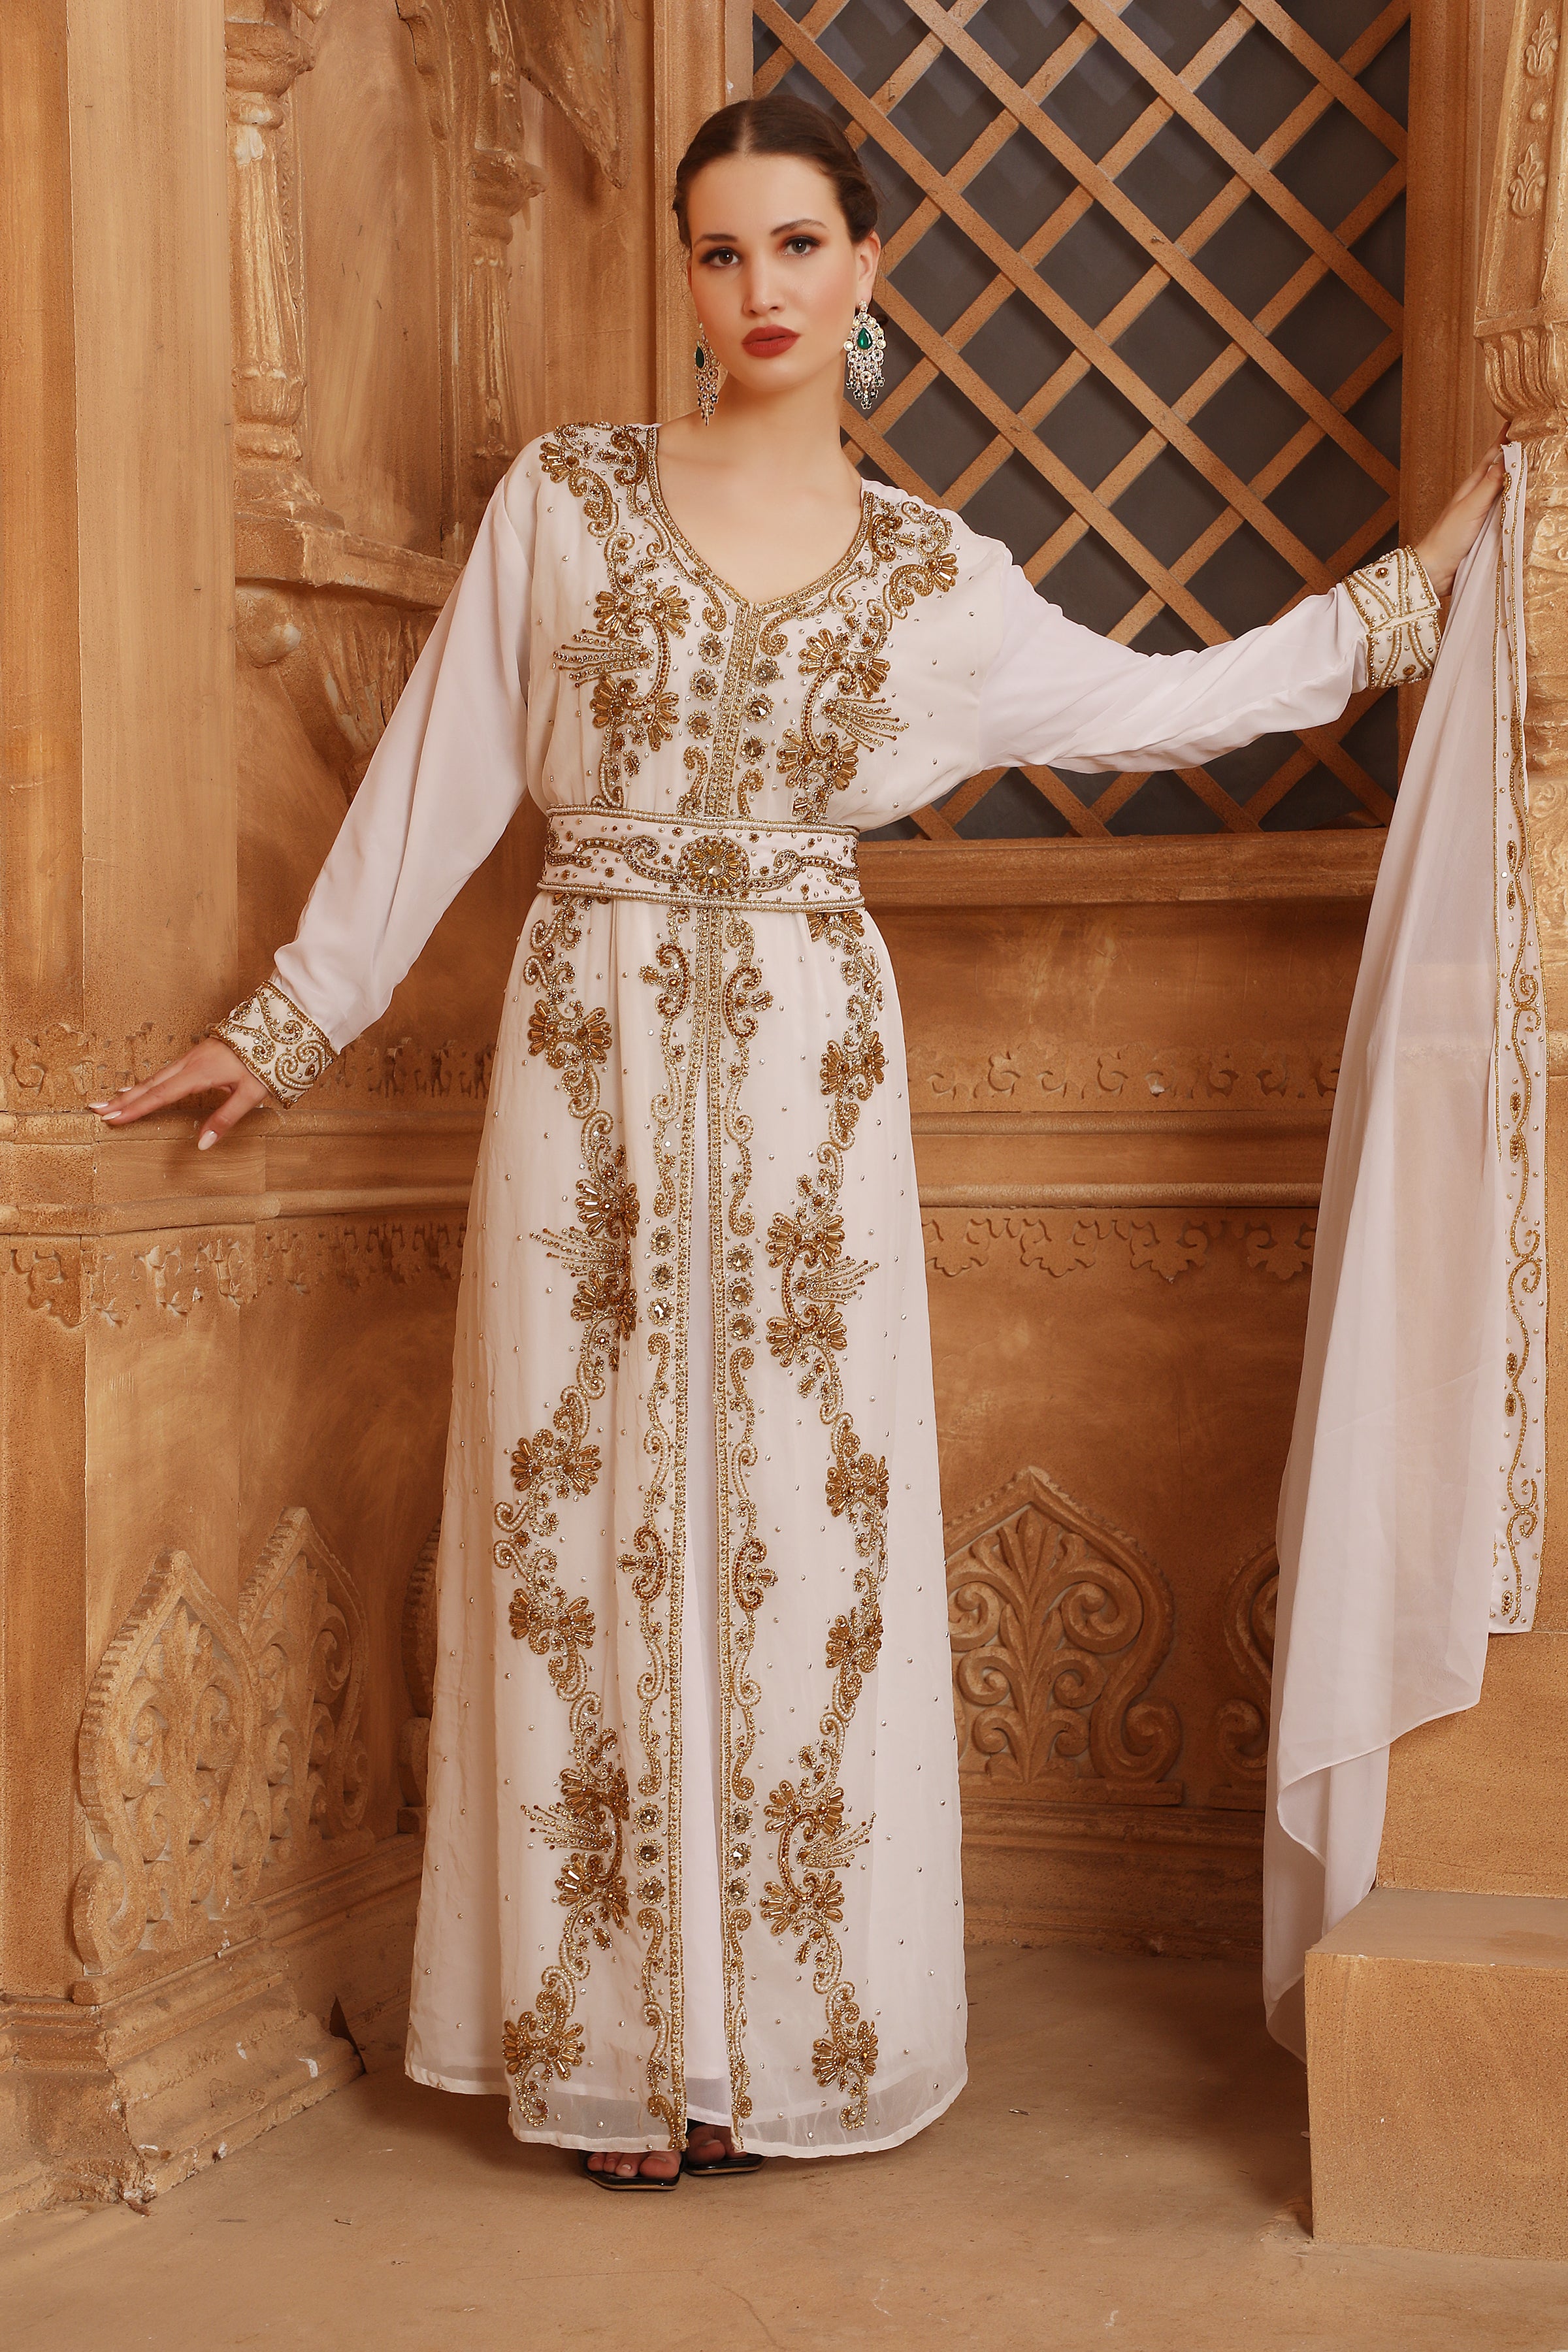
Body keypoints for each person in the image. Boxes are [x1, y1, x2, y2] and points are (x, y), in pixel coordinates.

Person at [95, 94, 1503, 2188]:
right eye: (720, 251)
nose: (755, 287)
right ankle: (609, 2050)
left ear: (867, 279)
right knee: (587, 1528)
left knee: (792, 1542)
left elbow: (1165, 700)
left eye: (795, 247)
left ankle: (756, 2050)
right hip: (583, 1079)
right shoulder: (564, 507)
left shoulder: (941, 579)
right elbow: (442, 778)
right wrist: (288, 1020)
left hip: (808, 1099)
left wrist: (1408, 601)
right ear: (691, 283)